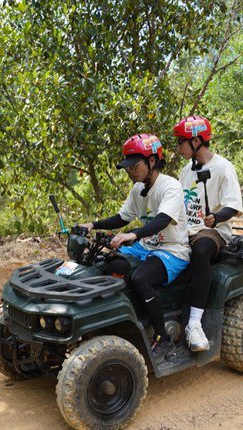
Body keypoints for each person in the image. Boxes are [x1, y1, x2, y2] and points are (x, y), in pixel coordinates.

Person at [80, 134, 190, 364]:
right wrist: (92, 224)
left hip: (172, 250)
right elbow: (121, 217)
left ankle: (163, 335)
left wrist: (133, 234)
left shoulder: (170, 186)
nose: (131, 171)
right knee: (107, 264)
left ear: (152, 161)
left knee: (141, 278)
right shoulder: (138, 189)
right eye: (128, 167)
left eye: (135, 165)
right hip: (145, 247)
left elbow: (162, 220)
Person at [173, 116, 243, 351]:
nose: (178, 147)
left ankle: (194, 322)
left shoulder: (223, 167)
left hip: (213, 232)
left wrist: (217, 217)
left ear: (195, 141)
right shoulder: (186, 171)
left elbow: (233, 204)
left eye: (181, 142)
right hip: (188, 229)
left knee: (201, 251)